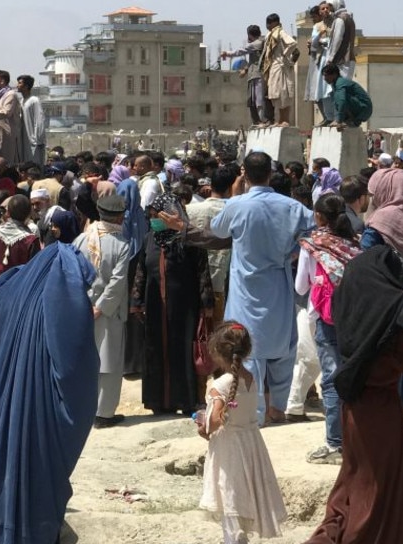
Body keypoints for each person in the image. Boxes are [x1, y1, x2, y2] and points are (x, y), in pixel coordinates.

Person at [305, 245, 403, 543]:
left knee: (355, 486)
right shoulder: (390, 341)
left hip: (354, 415)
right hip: (383, 420)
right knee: (379, 494)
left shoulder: (352, 328)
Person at [0, 244, 98, 544]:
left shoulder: (6, 288)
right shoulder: (64, 296)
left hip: (1, 412)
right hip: (42, 422)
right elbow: (75, 369)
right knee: (37, 494)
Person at [210, 151, 315, 425]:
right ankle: (277, 408)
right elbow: (314, 230)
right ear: (271, 172)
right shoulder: (291, 206)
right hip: (278, 284)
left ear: (244, 173)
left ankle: (253, 414)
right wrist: (293, 251)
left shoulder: (238, 205)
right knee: (282, 347)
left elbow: (218, 229)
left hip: (246, 287)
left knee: (246, 348)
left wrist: (235, 195)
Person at [196, 321, 286, 544]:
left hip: (229, 448)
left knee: (230, 493)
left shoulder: (220, 384)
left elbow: (215, 421)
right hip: (251, 443)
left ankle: (233, 539)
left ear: (217, 352)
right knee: (244, 490)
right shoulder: (251, 378)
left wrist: (203, 425)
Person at [293, 193, 362, 463]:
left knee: (331, 380)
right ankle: (356, 438)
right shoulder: (354, 244)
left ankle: (335, 444)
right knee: (354, 377)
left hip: (325, 318)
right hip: (355, 319)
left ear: (318, 217)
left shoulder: (312, 245)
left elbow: (301, 286)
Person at [135, 194, 214, 414]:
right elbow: (142, 271)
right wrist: (137, 301)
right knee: (155, 350)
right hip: (154, 307)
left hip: (184, 308)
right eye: (151, 217)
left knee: (183, 351)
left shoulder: (189, 240)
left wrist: (207, 305)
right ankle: (158, 402)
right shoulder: (149, 238)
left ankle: (185, 400)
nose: (154, 221)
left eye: (157, 216)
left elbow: (202, 273)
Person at [73, 194, 131, 427]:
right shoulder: (121, 244)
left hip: (82, 308)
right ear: (119, 216)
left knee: (86, 359)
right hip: (108, 311)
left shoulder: (81, 239)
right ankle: (104, 413)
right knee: (109, 361)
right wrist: (101, 307)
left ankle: (83, 409)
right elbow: (117, 282)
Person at [187, 167, 235, 323]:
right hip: (221, 283)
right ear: (231, 187)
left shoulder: (189, 210)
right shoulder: (237, 213)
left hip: (192, 280)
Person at [0, 194, 39, 284]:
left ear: (8, 212)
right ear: (28, 214)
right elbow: (33, 272)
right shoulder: (31, 241)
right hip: (14, 292)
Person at [223, 25, 271, 126]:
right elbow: (254, 61)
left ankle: (261, 121)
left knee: (258, 100)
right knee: (253, 101)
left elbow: (239, 51)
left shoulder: (256, 43)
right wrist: (245, 70)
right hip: (254, 75)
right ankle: (258, 121)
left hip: (257, 76)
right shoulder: (262, 43)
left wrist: (226, 53)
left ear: (249, 35)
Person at [259, 13, 298, 127]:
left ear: (275, 22)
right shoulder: (269, 36)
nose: (268, 25)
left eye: (269, 23)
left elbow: (292, 43)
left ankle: (285, 120)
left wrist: (285, 56)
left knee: (284, 93)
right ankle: (279, 120)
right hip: (273, 66)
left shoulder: (280, 32)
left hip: (281, 66)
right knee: (276, 94)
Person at [321, 63, 372, 128]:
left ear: (334, 74)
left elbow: (341, 101)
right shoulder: (336, 84)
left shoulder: (340, 83)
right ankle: (349, 121)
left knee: (339, 97)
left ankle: (350, 121)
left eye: (326, 75)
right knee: (335, 96)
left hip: (363, 108)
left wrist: (339, 121)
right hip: (362, 109)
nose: (325, 78)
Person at [16, 75, 46, 166]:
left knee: (35, 167)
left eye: (20, 83)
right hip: (24, 141)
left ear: (26, 86)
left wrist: (38, 140)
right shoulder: (21, 101)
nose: (17, 85)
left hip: (34, 142)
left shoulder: (34, 100)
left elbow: (39, 120)